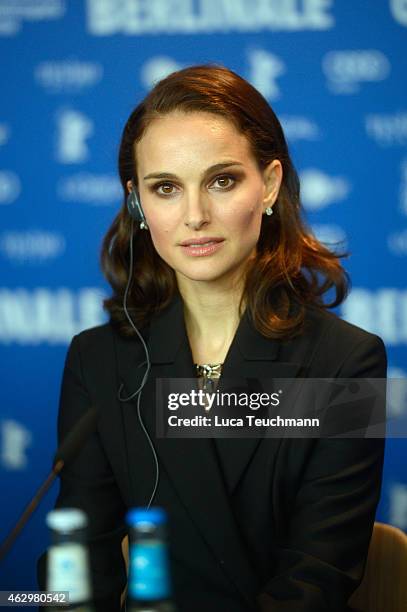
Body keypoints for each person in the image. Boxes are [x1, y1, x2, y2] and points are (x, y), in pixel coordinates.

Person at [38, 65, 386, 612]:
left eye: (222, 180)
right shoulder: (98, 359)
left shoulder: (346, 362)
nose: (195, 216)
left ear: (269, 184)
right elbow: (82, 563)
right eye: (166, 188)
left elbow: (318, 577)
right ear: (137, 202)